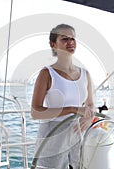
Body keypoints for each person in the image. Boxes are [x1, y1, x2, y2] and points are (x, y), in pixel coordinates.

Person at [31, 24, 95, 169]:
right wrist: (73, 109)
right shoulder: (46, 73)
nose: (70, 42)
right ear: (53, 44)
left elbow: (90, 103)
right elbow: (36, 112)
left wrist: (89, 115)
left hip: (77, 137)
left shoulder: (85, 74)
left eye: (73, 38)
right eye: (64, 39)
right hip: (52, 138)